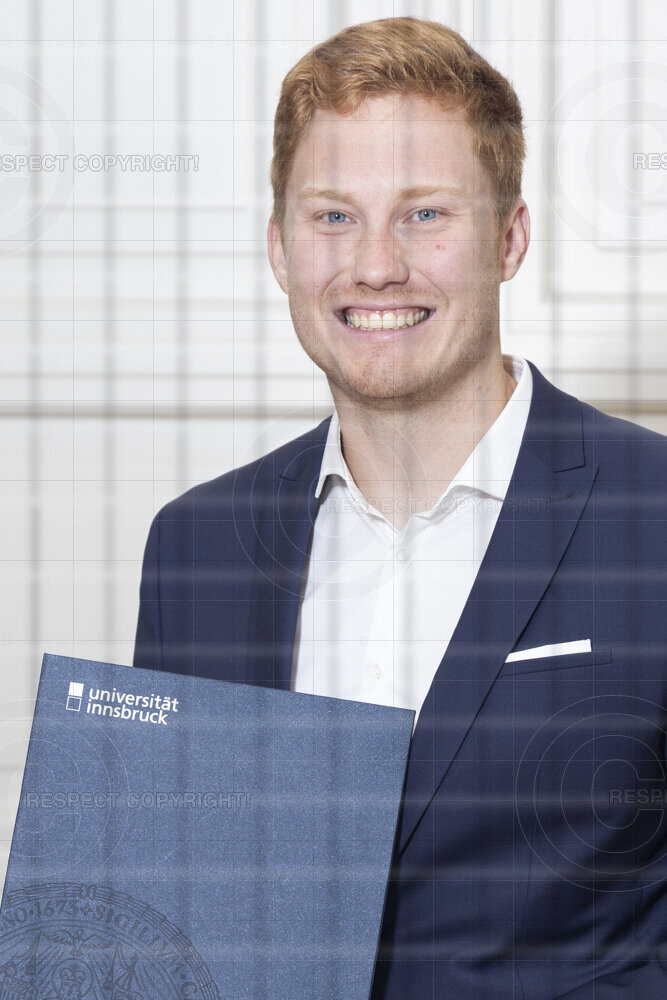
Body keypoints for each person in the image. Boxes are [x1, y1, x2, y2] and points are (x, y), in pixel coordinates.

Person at [134, 17, 667, 999]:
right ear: (279, 248)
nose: (375, 264)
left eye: (424, 213)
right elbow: (174, 921)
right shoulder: (195, 546)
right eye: (333, 216)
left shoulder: (654, 516)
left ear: (508, 238)